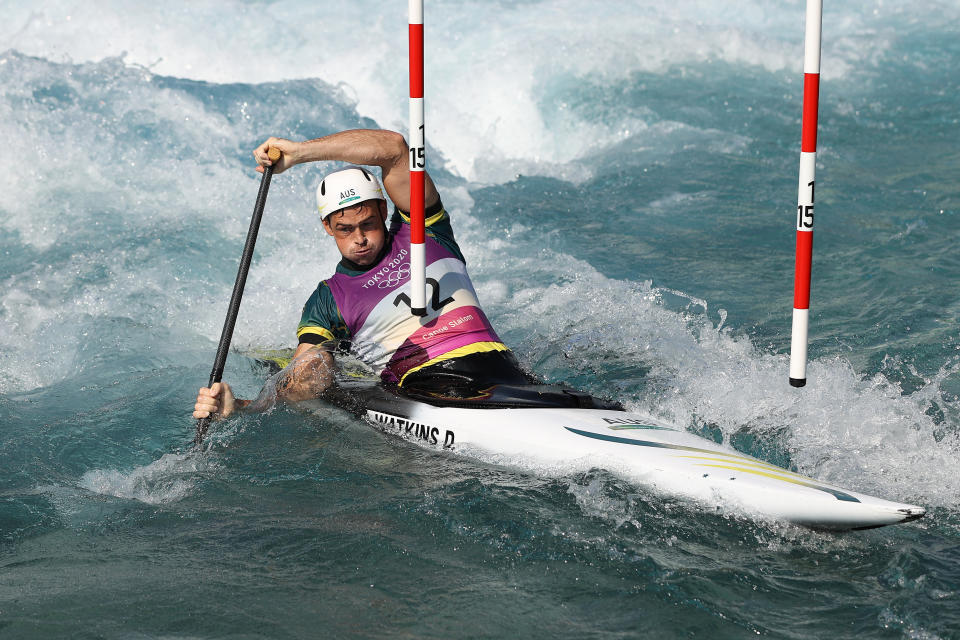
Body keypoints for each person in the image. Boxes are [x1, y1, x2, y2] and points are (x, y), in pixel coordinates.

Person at [193, 129, 533, 421]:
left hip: (506, 372)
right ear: (327, 227)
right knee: (315, 361)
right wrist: (242, 407)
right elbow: (305, 377)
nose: (359, 239)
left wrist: (299, 153)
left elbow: (396, 149)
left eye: (368, 224)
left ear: (384, 210)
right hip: (429, 389)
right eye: (344, 229)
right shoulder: (329, 297)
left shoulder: (425, 232)